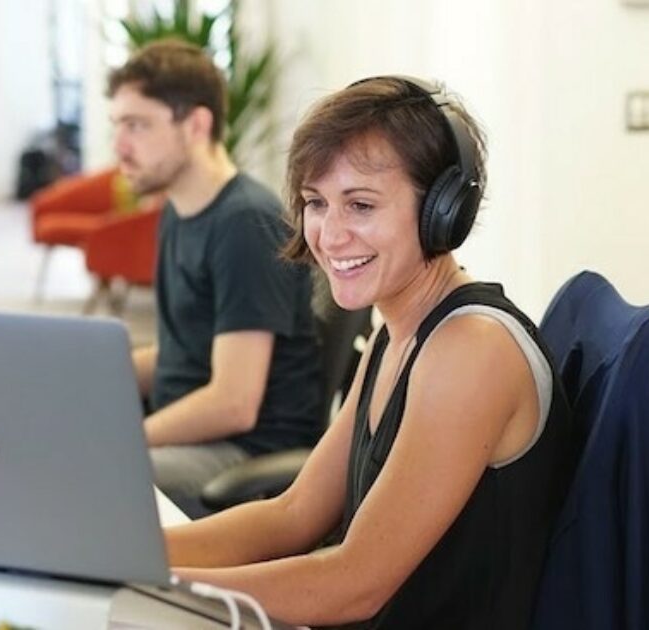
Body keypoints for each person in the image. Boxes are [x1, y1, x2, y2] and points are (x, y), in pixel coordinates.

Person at [163, 76, 582, 628]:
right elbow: (294, 513)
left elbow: (353, 584)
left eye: (360, 205)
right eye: (316, 203)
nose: (330, 235)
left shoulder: (471, 351)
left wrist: (157, 582)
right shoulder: (397, 333)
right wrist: (132, 554)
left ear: (442, 211)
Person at [107, 40, 324, 518]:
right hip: (191, 431)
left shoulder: (245, 223)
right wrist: (89, 372)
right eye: (117, 125)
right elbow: (184, 349)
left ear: (196, 125)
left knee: (91, 475)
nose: (119, 145)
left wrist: (122, 440)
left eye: (137, 125)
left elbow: (233, 402)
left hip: (243, 452)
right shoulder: (179, 210)